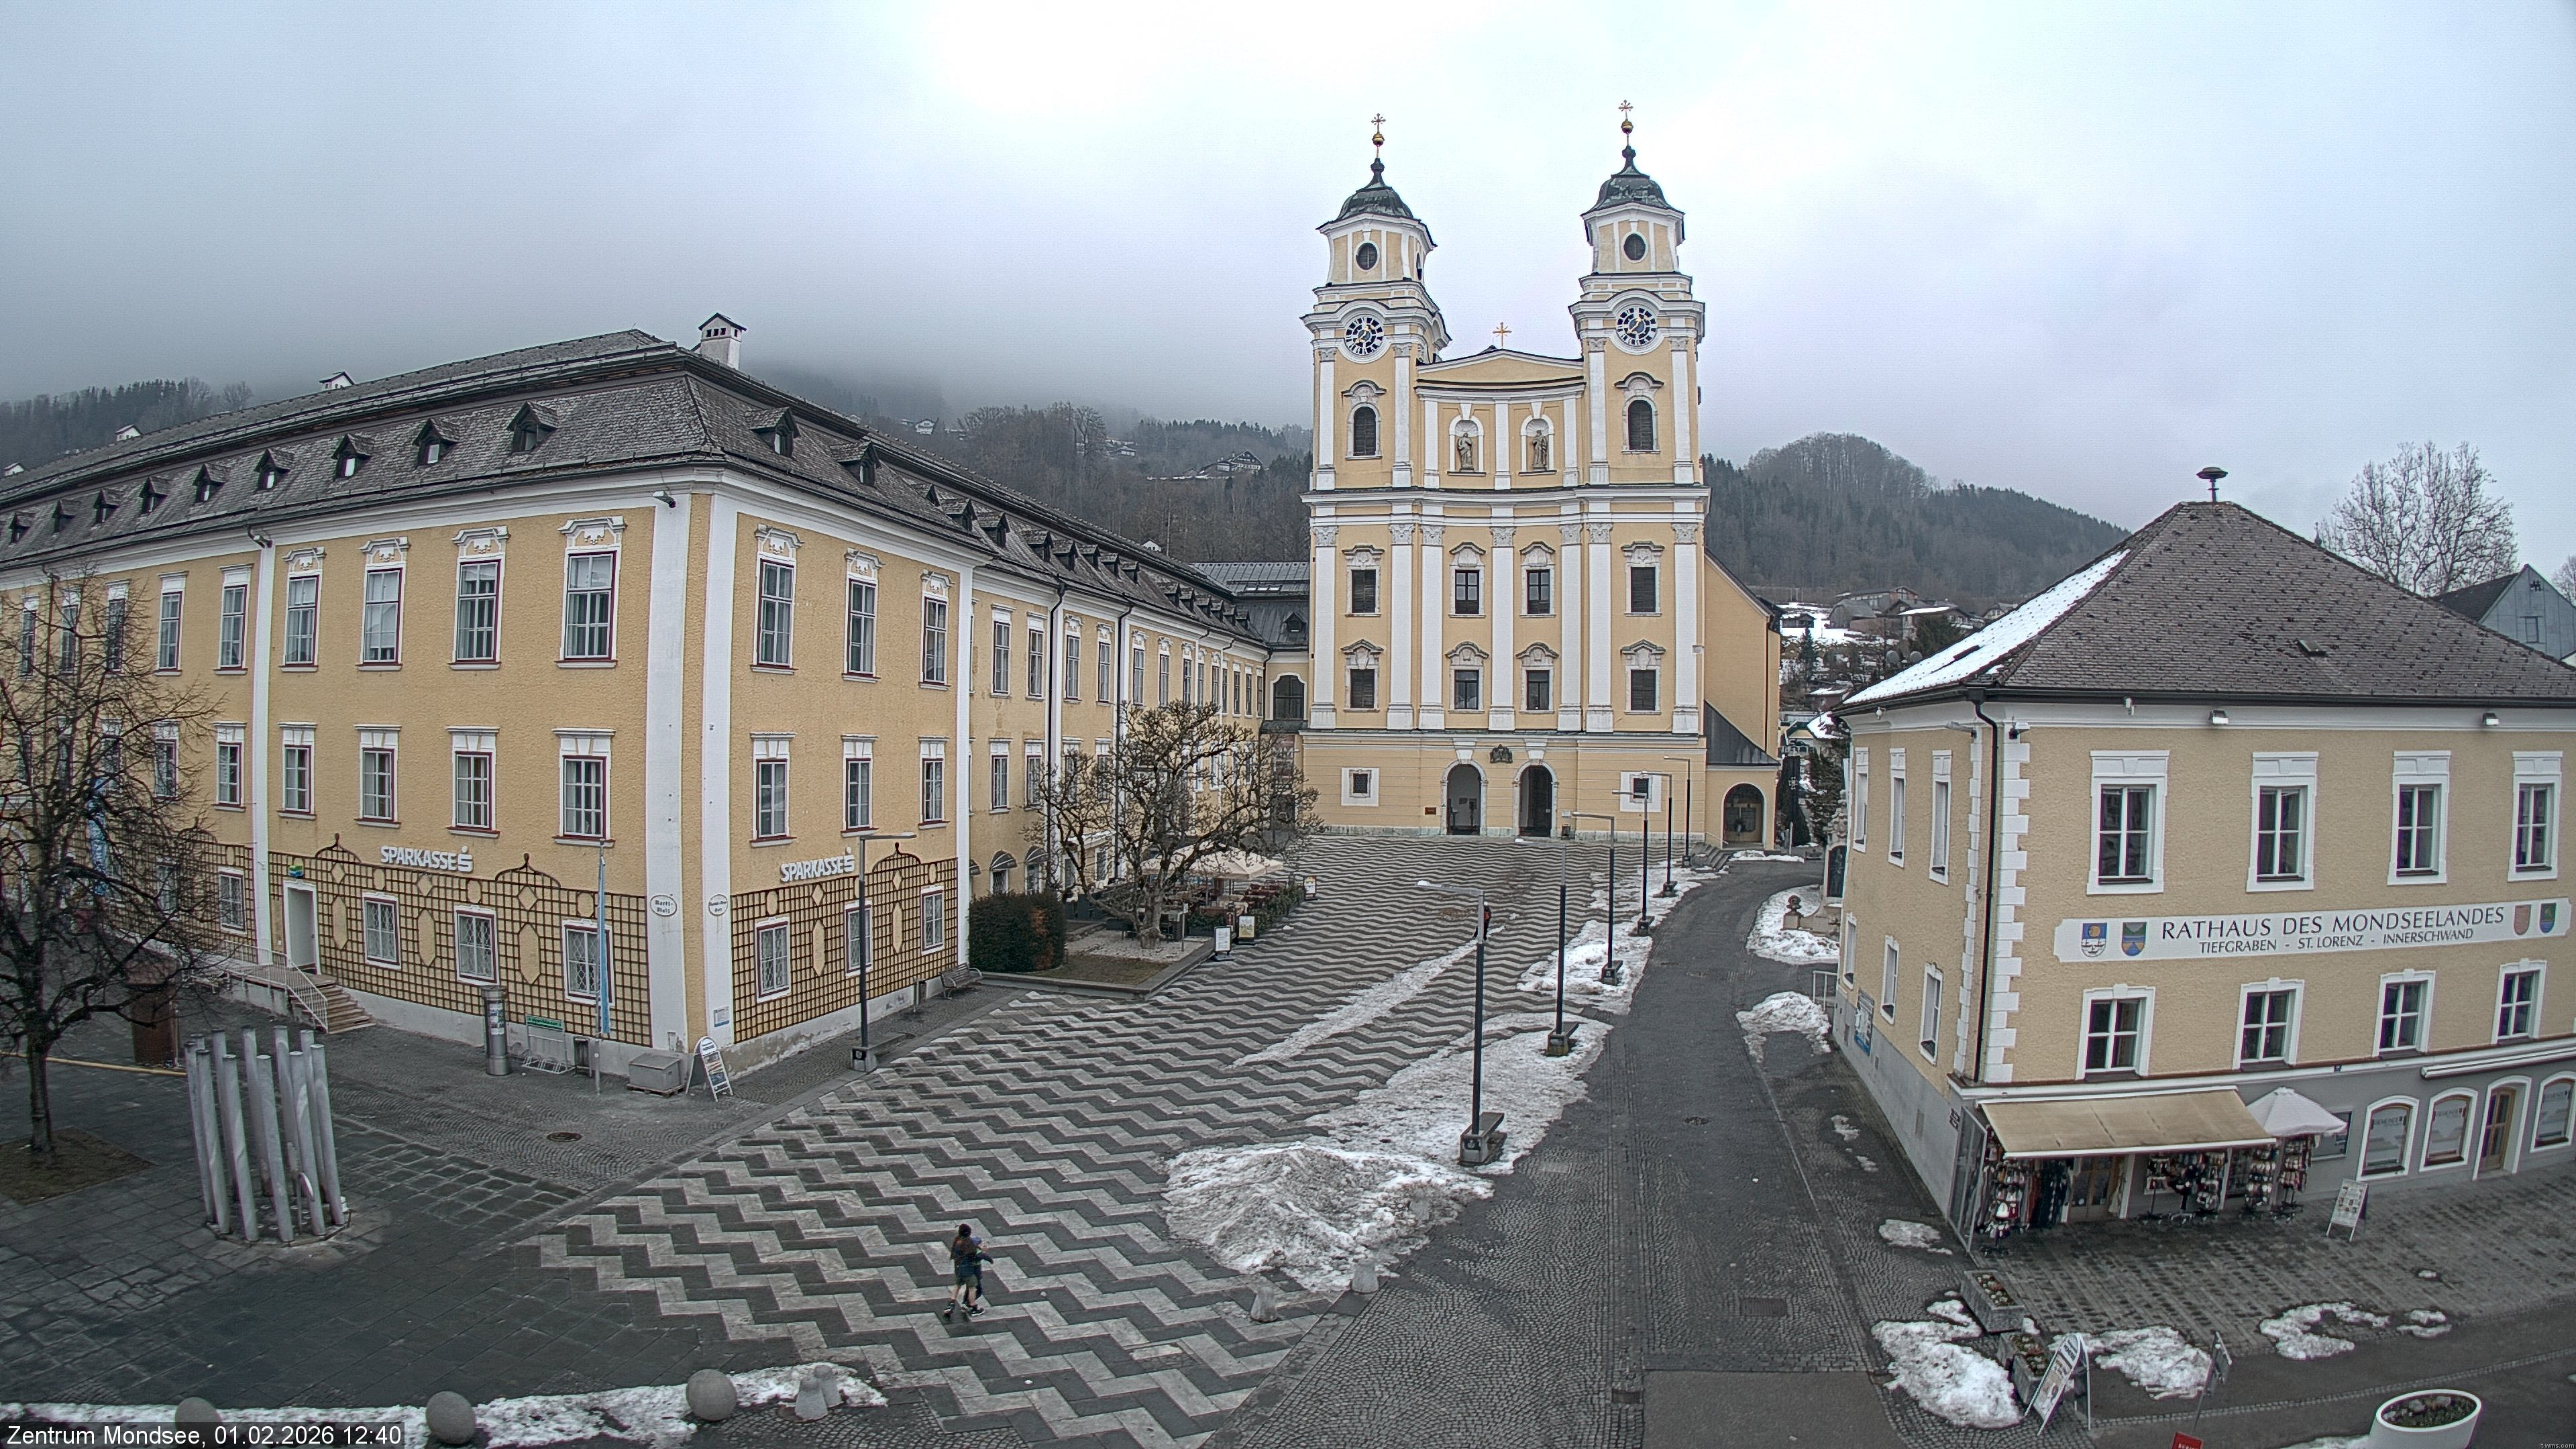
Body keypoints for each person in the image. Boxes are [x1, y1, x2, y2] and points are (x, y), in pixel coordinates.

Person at [943, 1224, 991, 1320]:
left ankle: (951, 1303)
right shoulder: (968, 1243)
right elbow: (975, 1254)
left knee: (957, 1285)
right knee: (973, 1288)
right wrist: (985, 1254)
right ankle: (973, 1308)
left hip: (958, 1268)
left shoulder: (957, 1241)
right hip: (968, 1270)